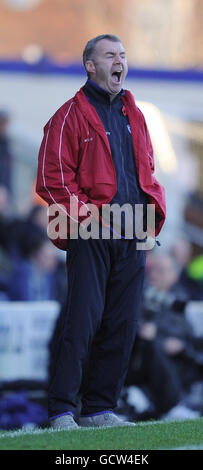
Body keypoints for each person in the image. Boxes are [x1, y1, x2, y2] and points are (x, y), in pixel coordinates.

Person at [36, 34, 166, 429]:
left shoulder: (136, 114)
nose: (119, 62)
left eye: (122, 55)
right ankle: (61, 410)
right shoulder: (68, 115)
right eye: (110, 55)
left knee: (123, 324)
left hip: (134, 233)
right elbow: (52, 179)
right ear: (90, 65)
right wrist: (91, 217)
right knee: (82, 322)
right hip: (90, 234)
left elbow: (146, 171)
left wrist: (150, 214)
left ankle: (99, 409)